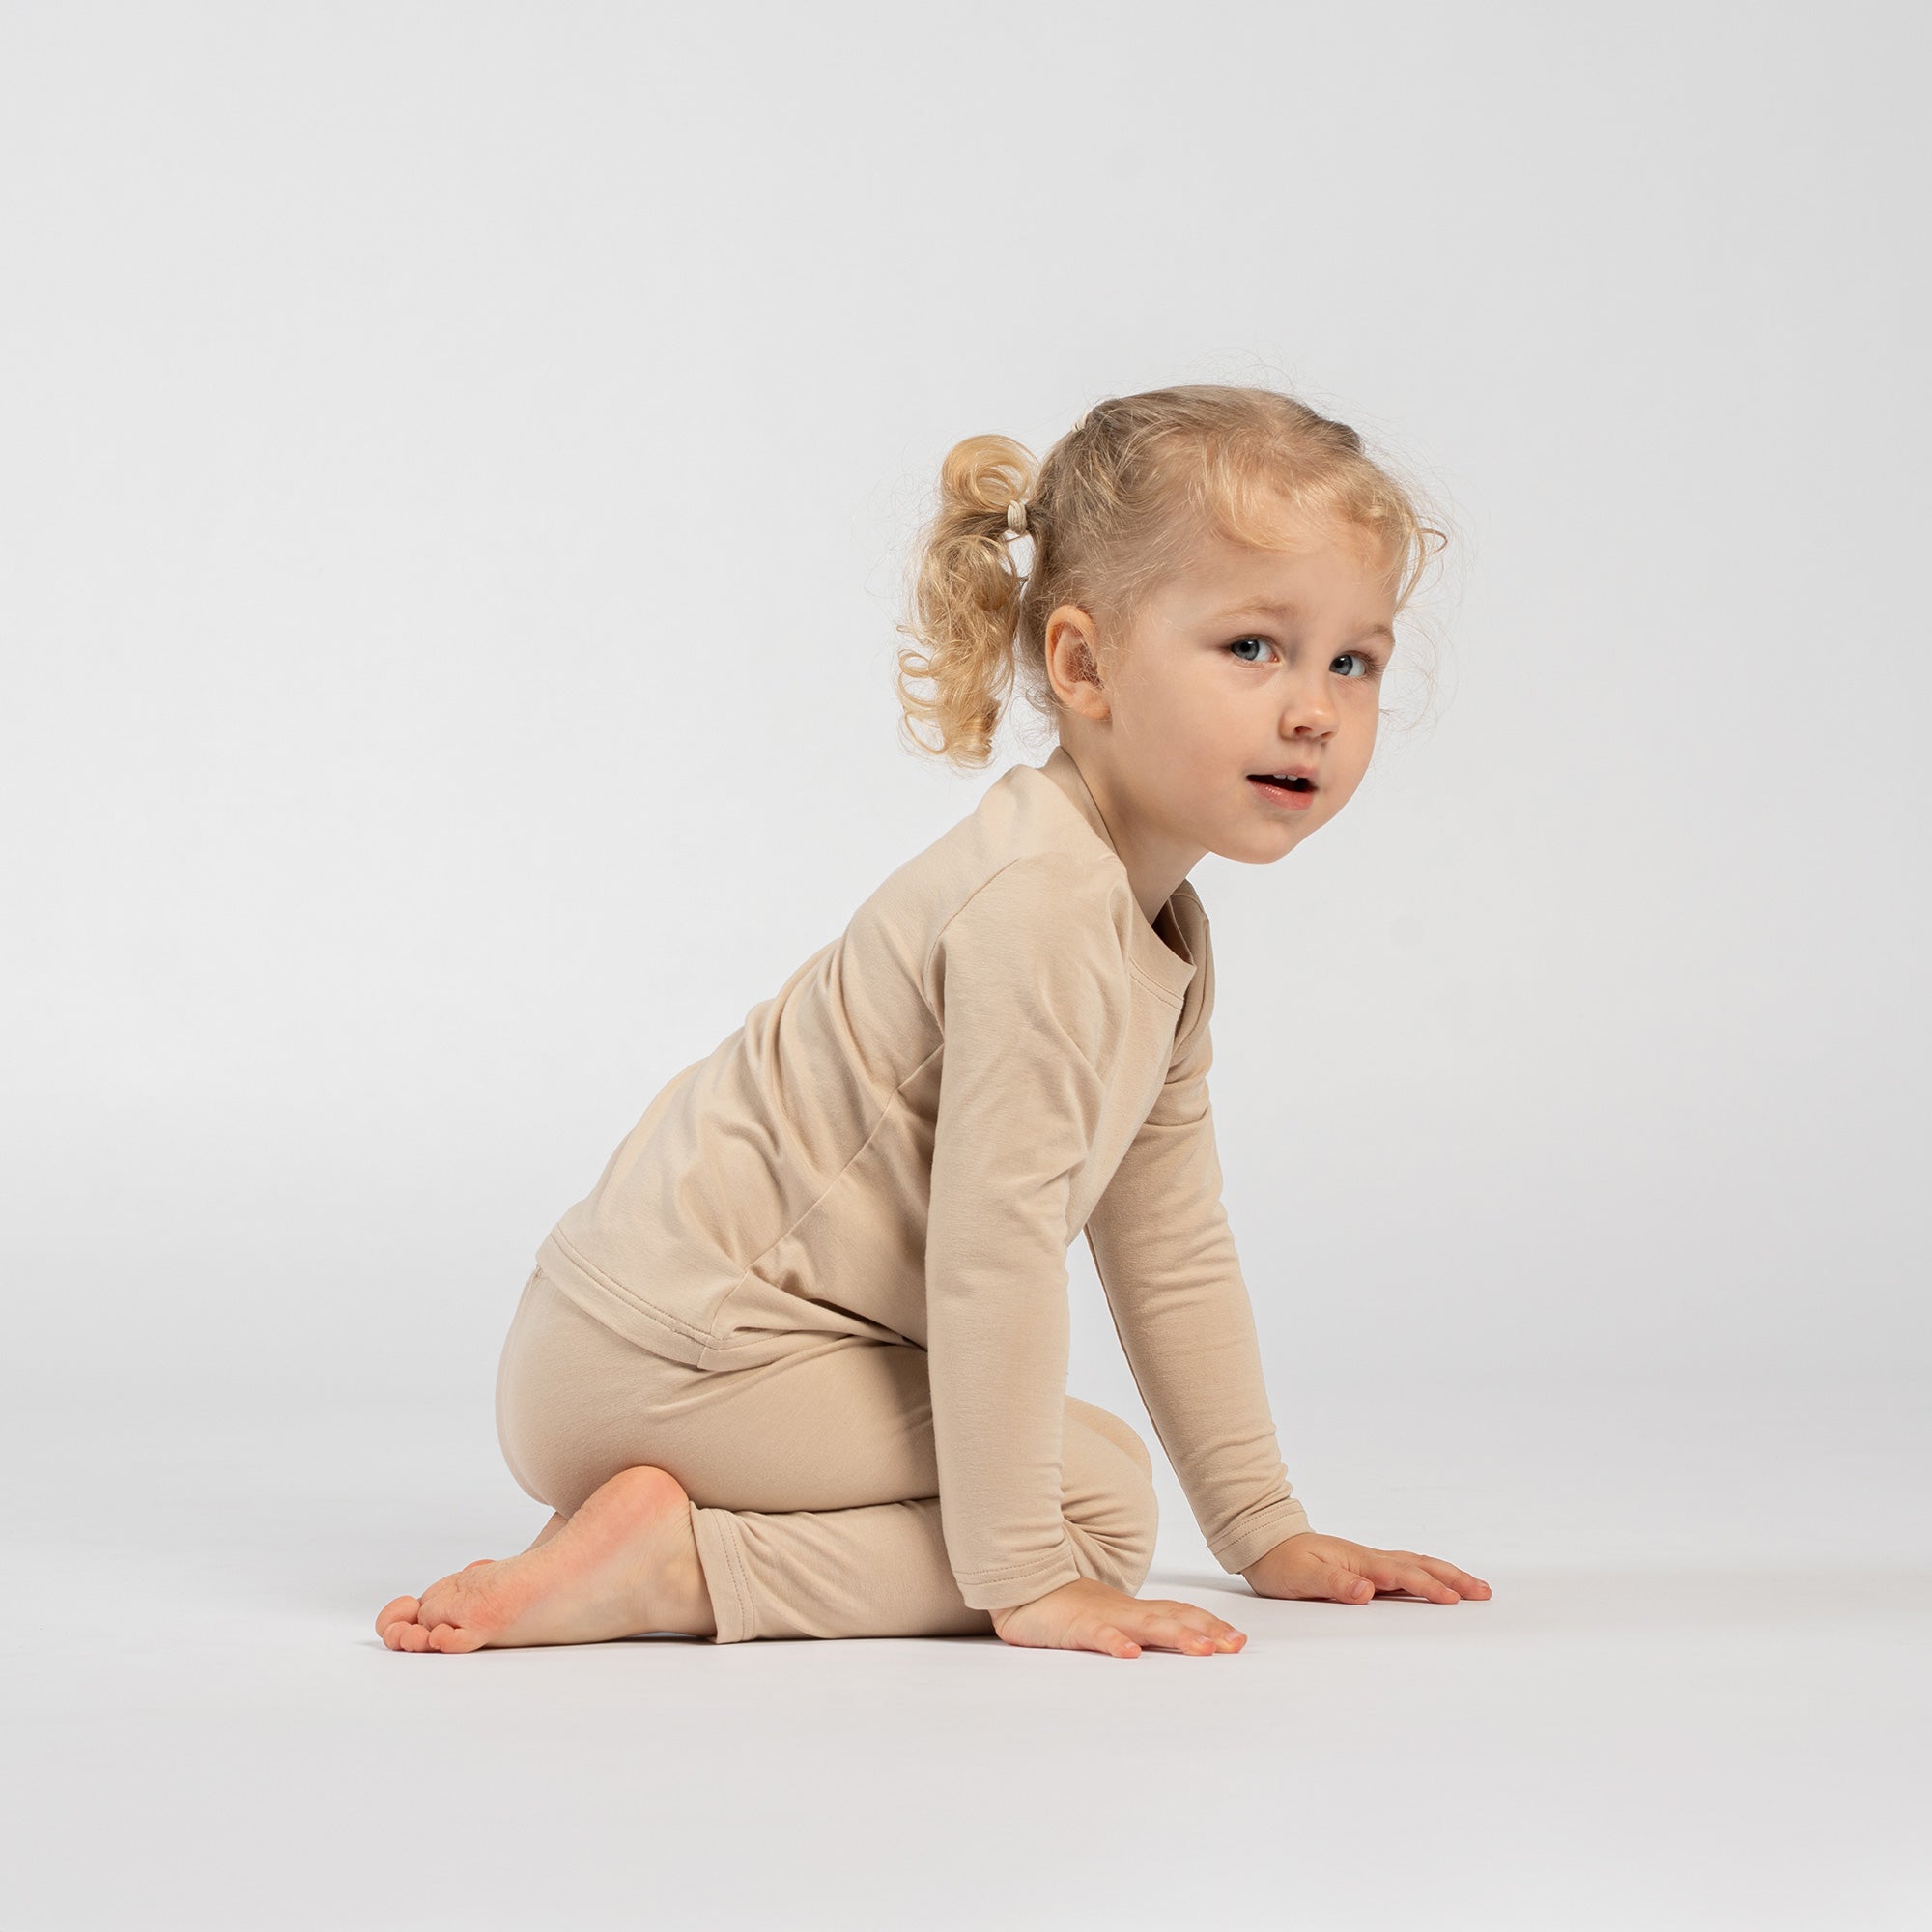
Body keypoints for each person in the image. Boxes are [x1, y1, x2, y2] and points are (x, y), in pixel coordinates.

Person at [376, 383, 1492, 1660]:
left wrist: (1264, 1528)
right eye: (1253, 647)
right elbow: (990, 1256)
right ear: (1084, 665)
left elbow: (1170, 1245)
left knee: (1075, 1478)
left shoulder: (1153, 923)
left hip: (661, 1346)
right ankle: (674, 1572)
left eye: (1353, 661)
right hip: (675, 1356)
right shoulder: (1041, 907)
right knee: (1092, 1507)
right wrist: (1030, 1580)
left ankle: (656, 1542)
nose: (1314, 709)